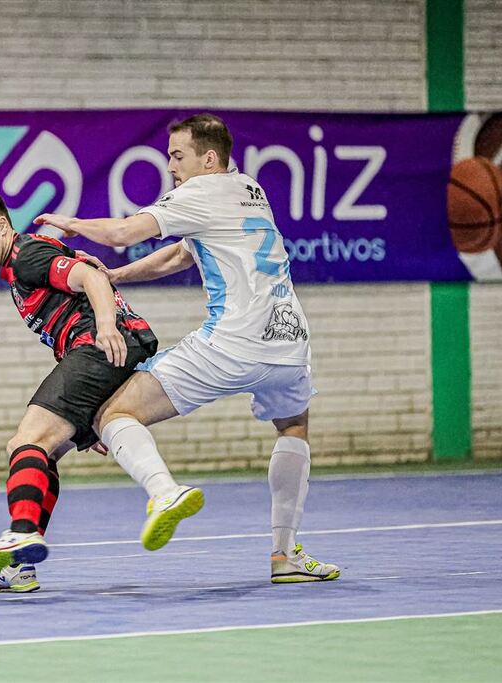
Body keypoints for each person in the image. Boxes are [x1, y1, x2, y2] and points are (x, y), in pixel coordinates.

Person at [35, 113, 340, 583]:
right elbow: (181, 253)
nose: (171, 165)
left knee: (113, 416)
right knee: (294, 427)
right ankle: (285, 556)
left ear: (209, 158)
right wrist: (114, 278)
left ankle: (163, 492)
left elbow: (122, 234)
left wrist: (70, 224)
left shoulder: (198, 192)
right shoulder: (250, 190)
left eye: (178, 156)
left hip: (233, 343)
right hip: (289, 342)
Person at [0, 187, 203, 592]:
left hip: (100, 346)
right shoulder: (24, 262)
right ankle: (20, 566)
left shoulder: (26, 255)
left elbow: (91, 277)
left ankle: (21, 533)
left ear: (1, 225)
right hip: (108, 351)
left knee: (25, 442)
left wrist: (104, 327)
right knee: (43, 448)